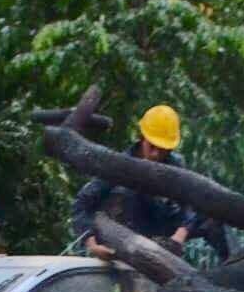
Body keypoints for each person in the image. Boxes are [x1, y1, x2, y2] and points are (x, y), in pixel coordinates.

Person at [71, 105, 191, 258]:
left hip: (161, 250)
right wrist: (92, 244)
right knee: (125, 194)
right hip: (121, 246)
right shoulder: (118, 165)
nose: (156, 154)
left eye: (163, 149)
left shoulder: (177, 167)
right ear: (142, 138)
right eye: (152, 146)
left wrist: (180, 235)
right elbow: (81, 204)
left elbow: (193, 206)